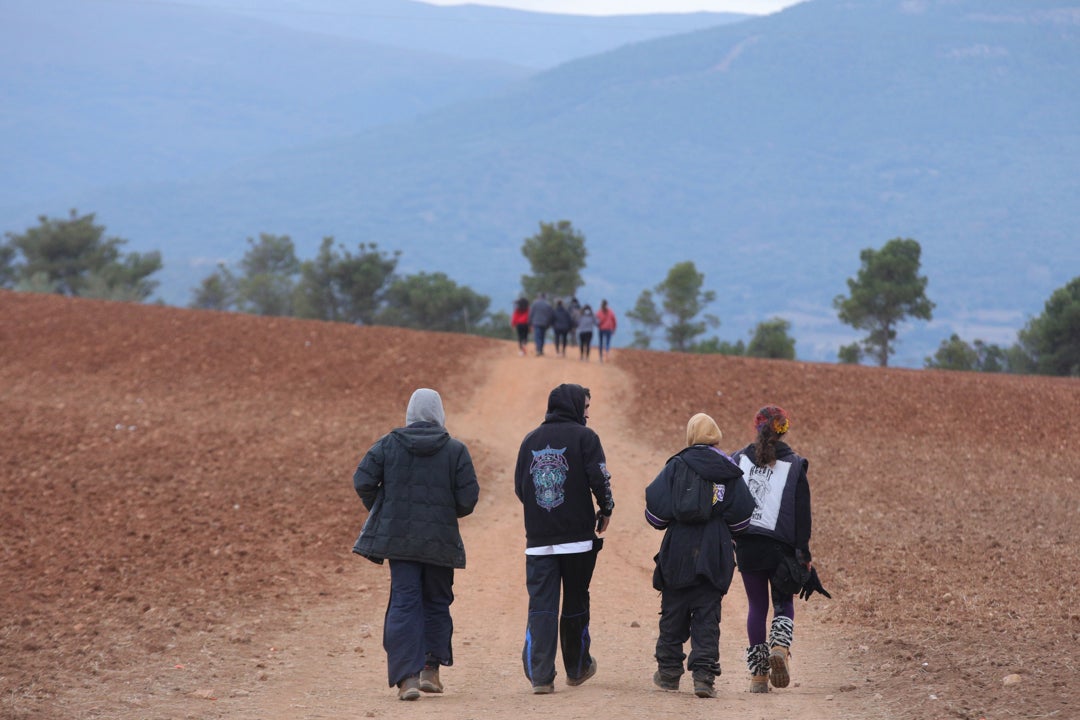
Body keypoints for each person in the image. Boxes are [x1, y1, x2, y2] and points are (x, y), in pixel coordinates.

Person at [352, 389, 480, 701]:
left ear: (410, 413)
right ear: (439, 414)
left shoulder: (387, 445)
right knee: (436, 601)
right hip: (440, 542)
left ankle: (407, 678)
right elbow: (468, 499)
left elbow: (362, 481)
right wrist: (445, 512)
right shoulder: (455, 450)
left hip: (400, 542)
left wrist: (386, 508)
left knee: (405, 602)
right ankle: (430, 671)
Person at [645, 413, 755, 698]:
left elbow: (656, 515)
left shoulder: (676, 465)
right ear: (715, 436)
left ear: (691, 435)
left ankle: (669, 673)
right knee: (707, 615)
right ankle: (704, 678)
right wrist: (721, 523)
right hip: (714, 550)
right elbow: (742, 518)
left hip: (678, 549)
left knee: (673, 611)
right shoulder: (728, 469)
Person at [514, 383, 615, 694]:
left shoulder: (529, 440)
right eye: (585, 407)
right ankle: (577, 668)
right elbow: (600, 478)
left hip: (539, 540)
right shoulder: (586, 437)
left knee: (541, 607)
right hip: (577, 540)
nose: (587, 413)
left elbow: (520, 487)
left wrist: (541, 515)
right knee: (575, 602)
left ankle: (541, 677)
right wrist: (606, 508)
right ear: (574, 406)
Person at [731, 405, 820, 693]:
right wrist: (803, 554)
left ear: (756, 427)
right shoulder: (795, 464)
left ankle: (758, 676)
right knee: (783, 603)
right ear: (783, 430)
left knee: (757, 607)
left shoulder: (738, 460)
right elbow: (803, 515)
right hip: (782, 549)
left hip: (747, 545)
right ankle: (780, 647)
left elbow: (729, 502)